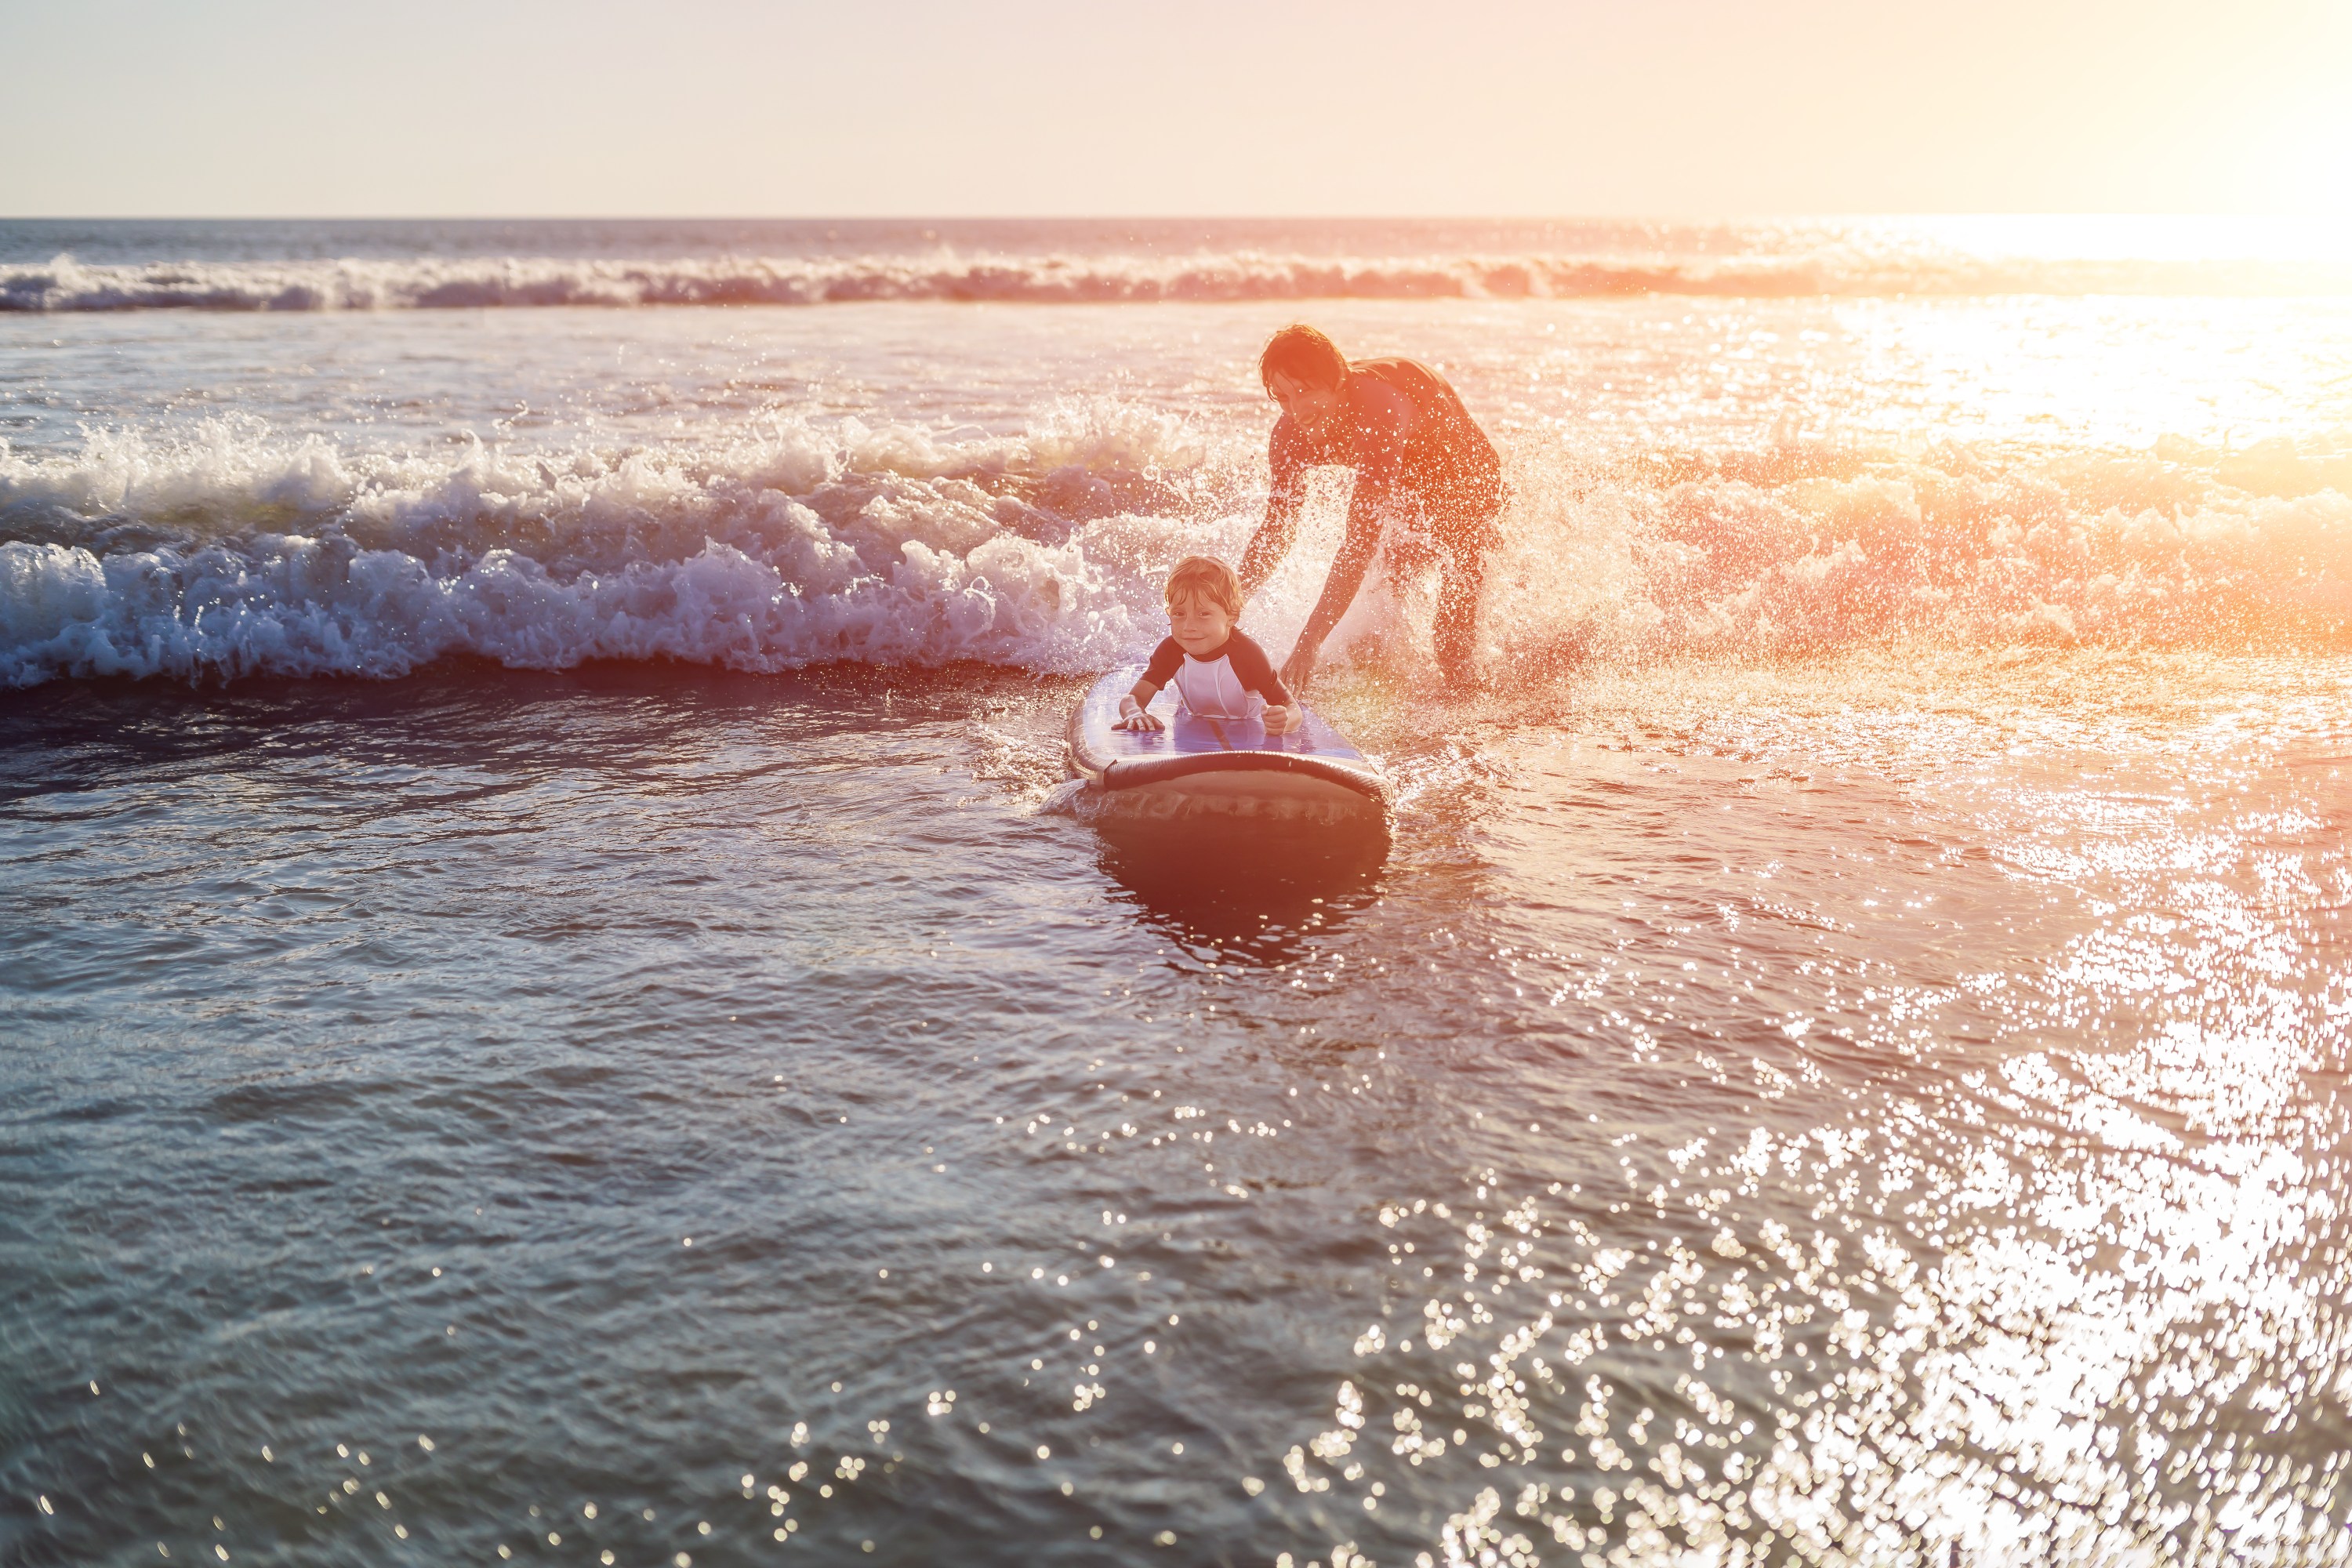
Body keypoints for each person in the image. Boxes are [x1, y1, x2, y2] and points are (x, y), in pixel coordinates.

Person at [1236, 324, 1503, 693]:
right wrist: (1229, 604)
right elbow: (1276, 531)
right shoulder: (1289, 435)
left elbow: (1359, 542)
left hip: (1462, 472)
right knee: (1389, 600)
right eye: (1282, 396)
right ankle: (1402, 697)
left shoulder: (1379, 410)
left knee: (1451, 642)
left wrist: (1309, 642)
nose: (1296, 410)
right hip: (1404, 479)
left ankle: (1474, 718)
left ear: (1338, 381)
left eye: (1305, 390)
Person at [1116, 556, 1303, 736]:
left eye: (1203, 614)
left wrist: (1283, 722)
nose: (1189, 627)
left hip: (1246, 723)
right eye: (1179, 614)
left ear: (1232, 616)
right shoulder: (1171, 651)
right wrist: (1134, 713)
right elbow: (1133, 699)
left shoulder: (1247, 654)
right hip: (1193, 724)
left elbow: (1292, 708)